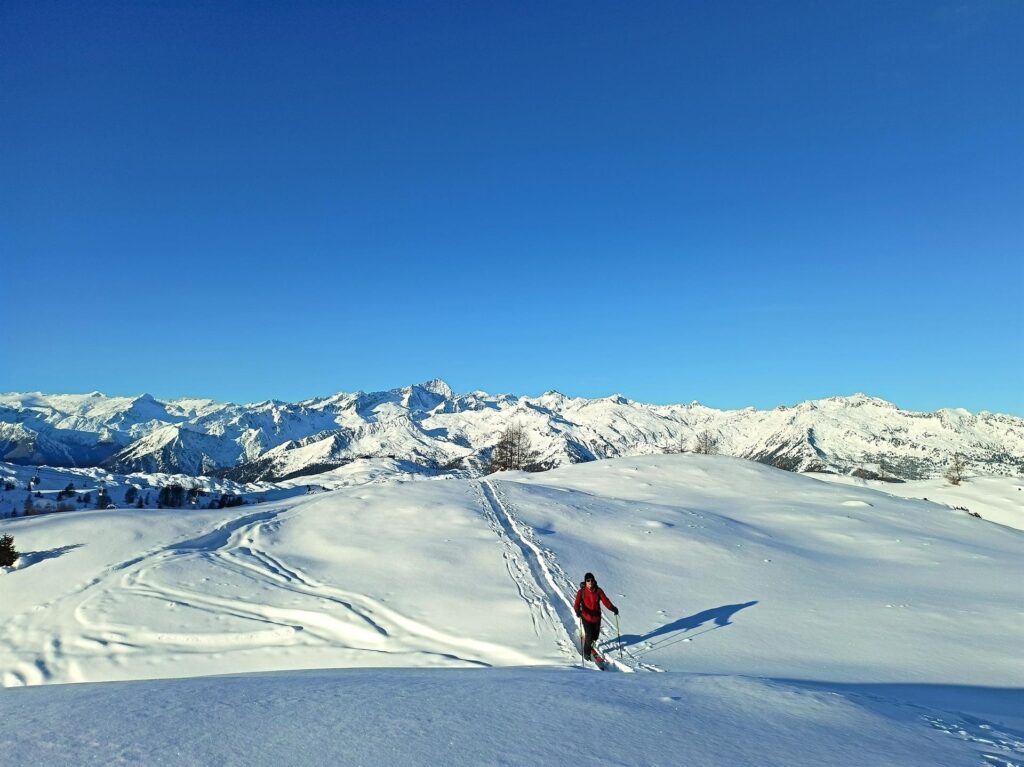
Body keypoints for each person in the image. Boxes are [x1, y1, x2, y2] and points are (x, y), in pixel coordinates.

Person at [574, 571, 618, 661]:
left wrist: (613, 608)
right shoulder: (581, 592)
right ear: (585, 582)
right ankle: (586, 653)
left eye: (591, 580)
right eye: (588, 580)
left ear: (594, 581)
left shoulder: (598, 591)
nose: (590, 582)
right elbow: (576, 604)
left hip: (596, 618)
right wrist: (577, 611)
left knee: (595, 636)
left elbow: (606, 601)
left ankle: (591, 644)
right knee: (589, 635)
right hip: (586, 617)